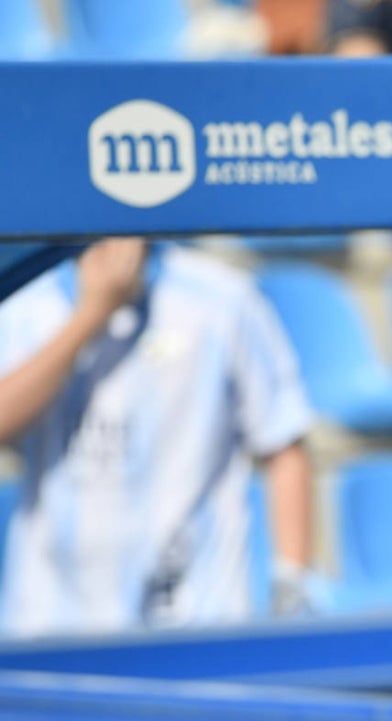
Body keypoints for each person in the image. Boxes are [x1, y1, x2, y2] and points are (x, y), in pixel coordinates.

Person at [0, 238, 317, 636]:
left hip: (197, 615)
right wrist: (91, 316)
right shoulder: (25, 299)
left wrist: (291, 584)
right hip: (52, 618)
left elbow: (282, 437)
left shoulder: (222, 298)